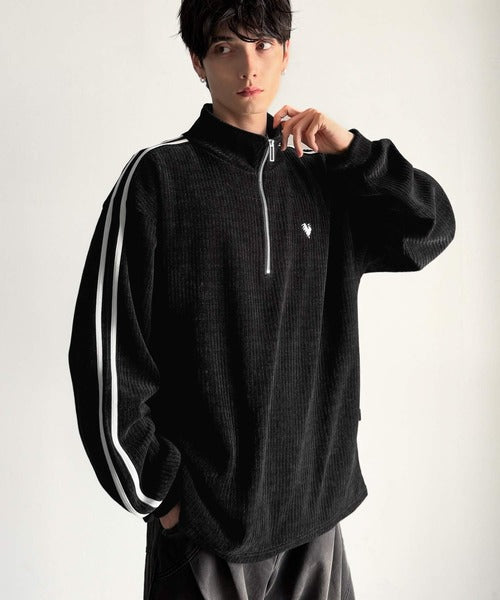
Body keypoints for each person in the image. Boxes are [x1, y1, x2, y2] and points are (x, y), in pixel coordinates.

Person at [67, 1, 456, 598]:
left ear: (285, 53)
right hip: (208, 531)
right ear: (198, 61)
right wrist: (161, 497)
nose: (248, 66)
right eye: (225, 47)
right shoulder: (159, 179)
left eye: (263, 45)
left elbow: (430, 229)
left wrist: (352, 150)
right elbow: (106, 351)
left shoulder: (325, 178)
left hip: (316, 520)